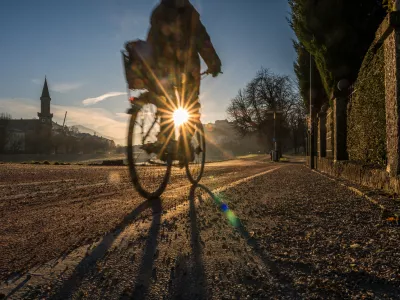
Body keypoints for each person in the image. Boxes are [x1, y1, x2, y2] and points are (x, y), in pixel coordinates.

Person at [145, 0, 222, 165]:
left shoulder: (158, 11)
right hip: (186, 70)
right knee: (191, 107)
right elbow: (202, 40)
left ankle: (165, 140)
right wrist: (214, 64)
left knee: (166, 102)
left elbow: (151, 39)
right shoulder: (188, 11)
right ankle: (184, 144)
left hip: (161, 69)